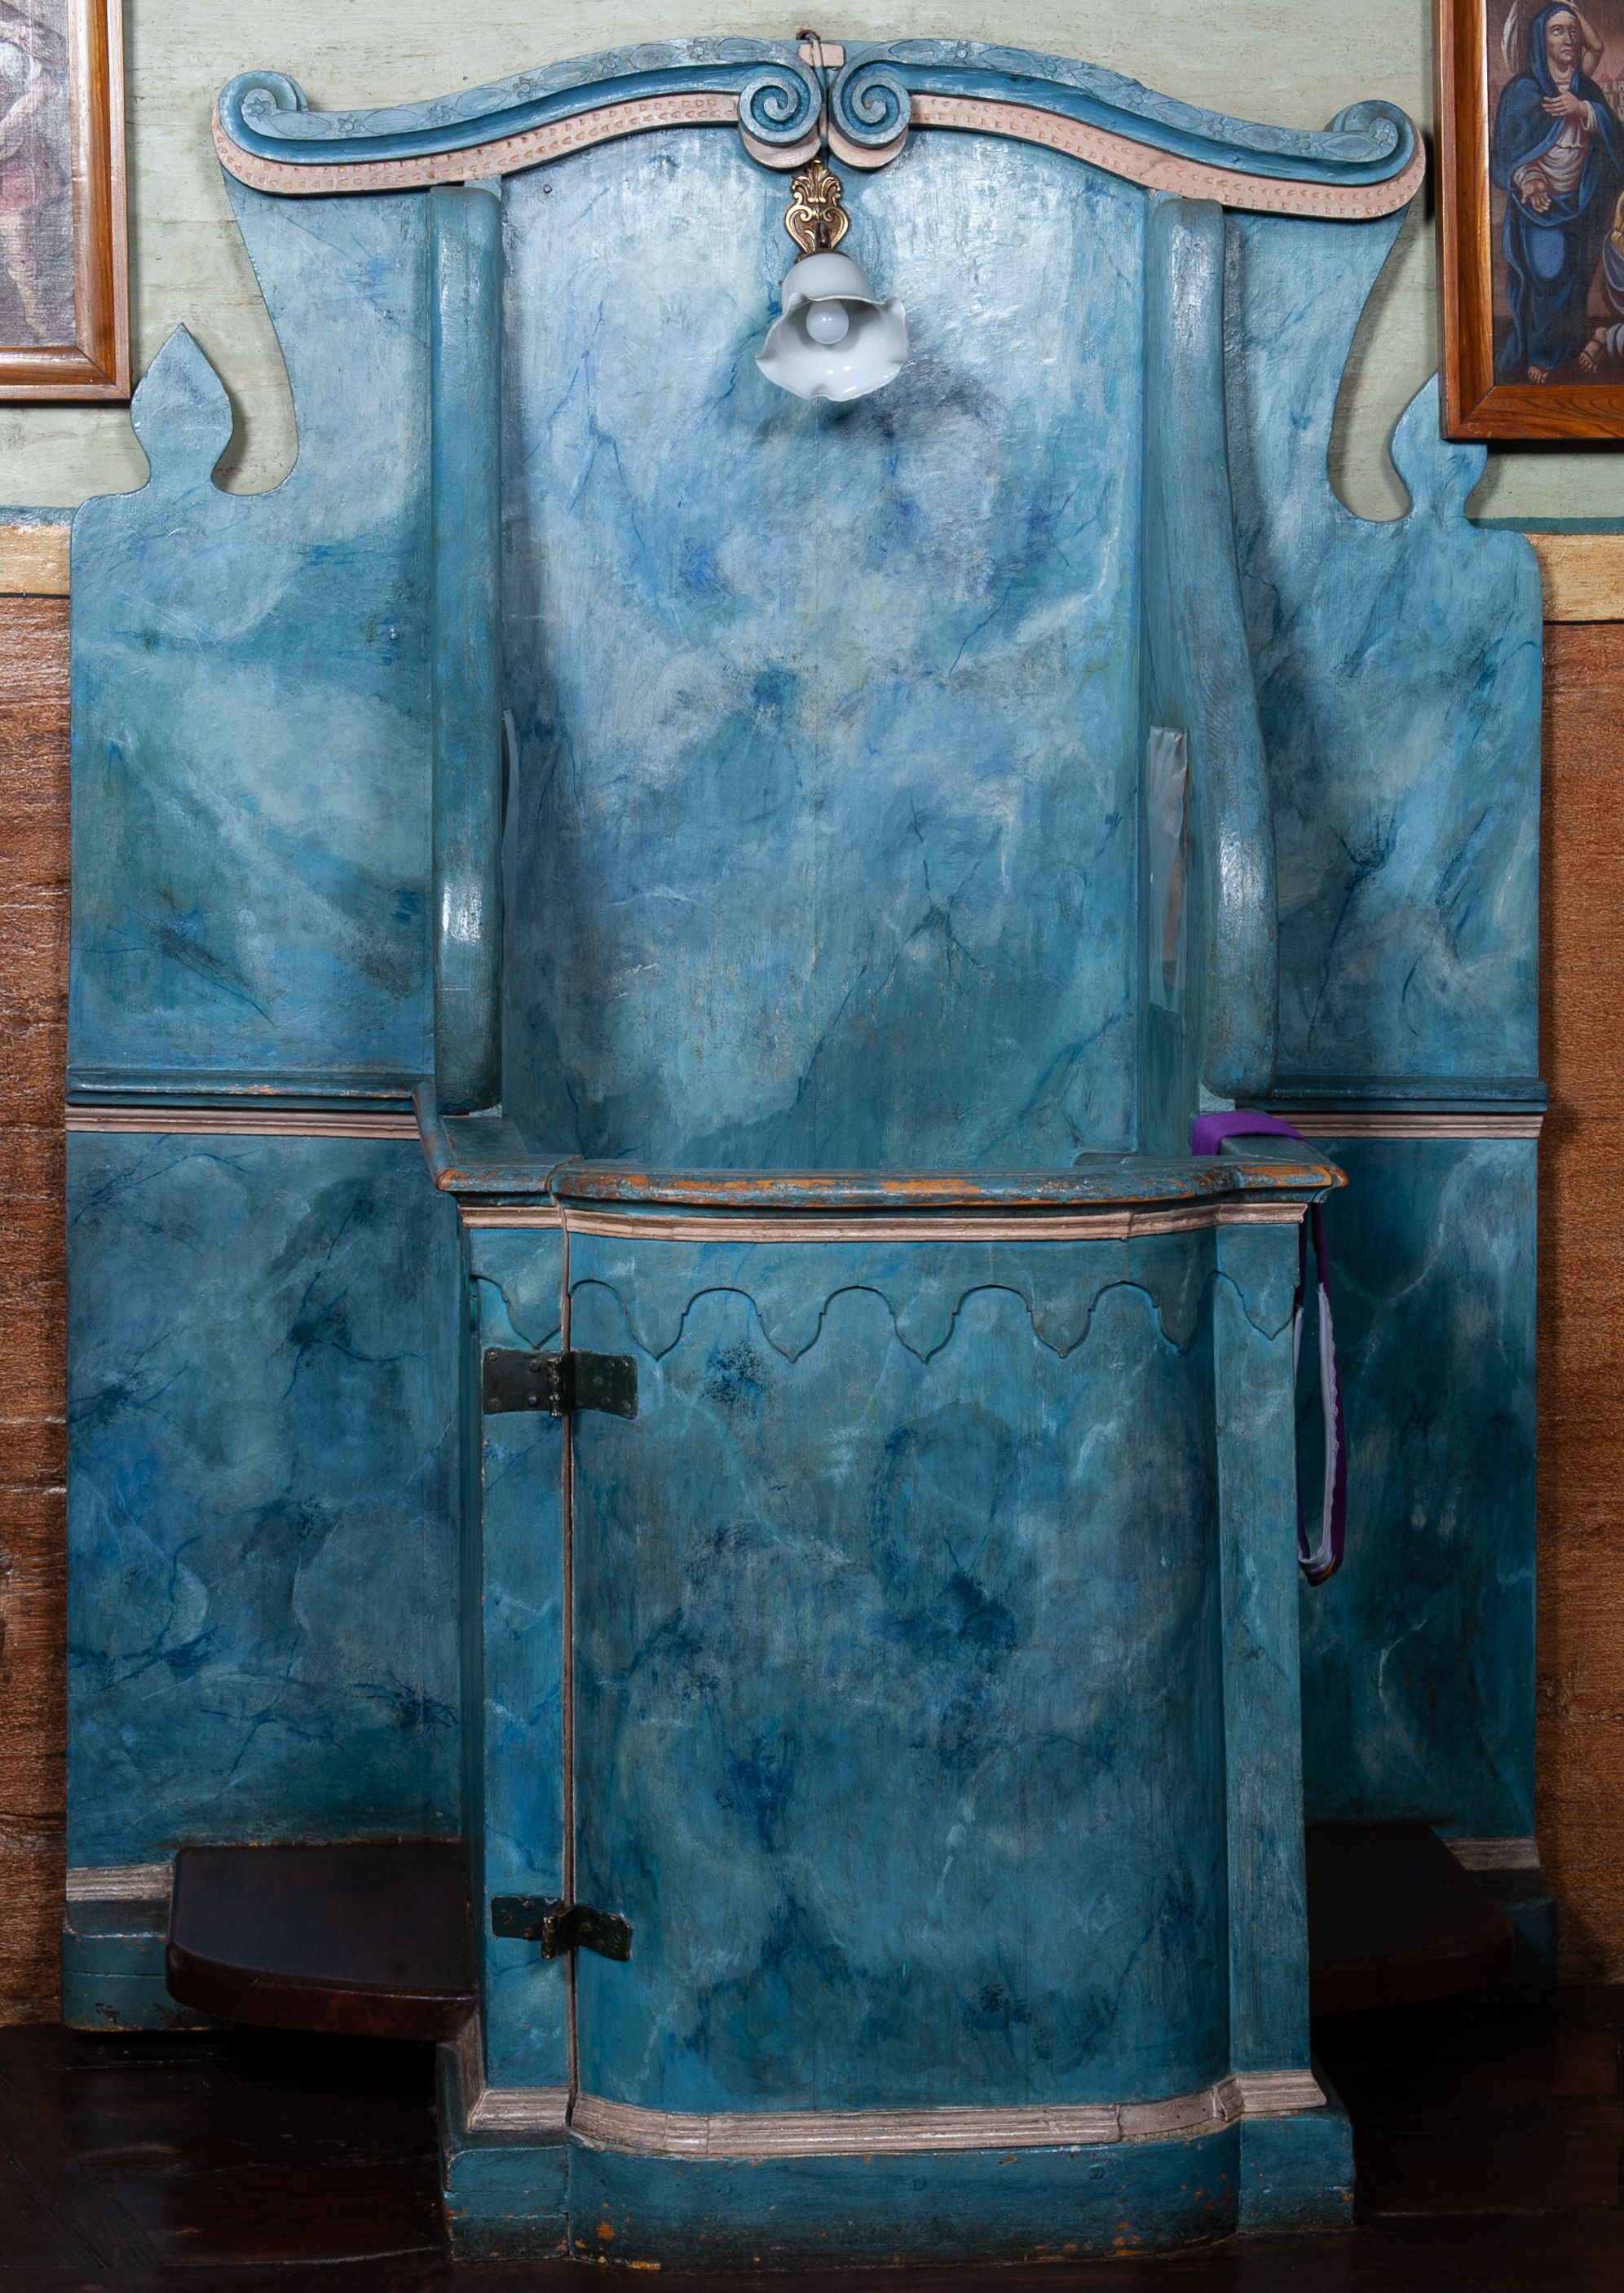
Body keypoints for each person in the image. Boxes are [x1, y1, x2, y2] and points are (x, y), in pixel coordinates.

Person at [1492, 6, 1624, 380]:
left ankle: (1565, 350)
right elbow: (1507, 153)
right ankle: (1540, 354)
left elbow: (1615, 140)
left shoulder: (1586, 89)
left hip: (1580, 203)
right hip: (1539, 204)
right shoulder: (1523, 91)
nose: (1568, 39)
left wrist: (1582, 109)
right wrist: (1530, 181)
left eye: (1572, 31)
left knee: (1574, 277)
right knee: (1547, 273)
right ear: (1541, 39)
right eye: (1557, 31)